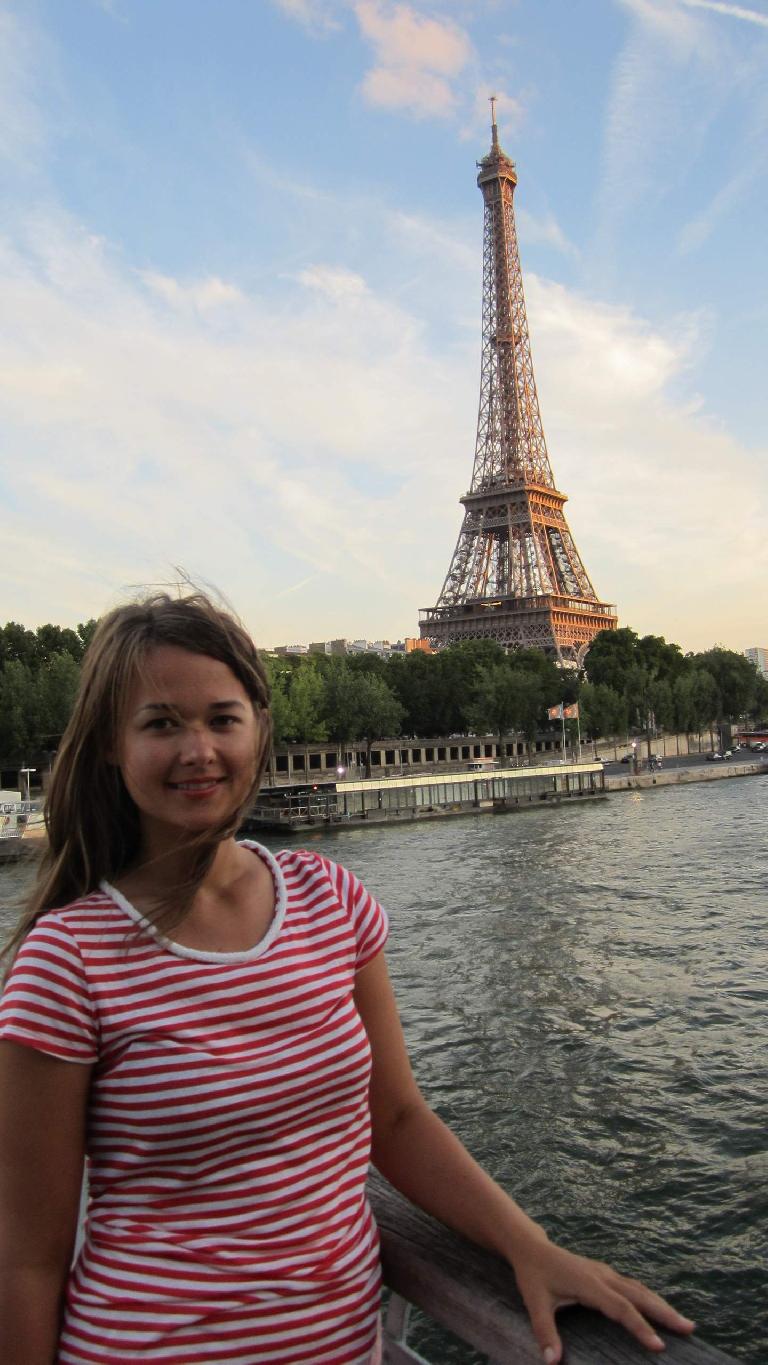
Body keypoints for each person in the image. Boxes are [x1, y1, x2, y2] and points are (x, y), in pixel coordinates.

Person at [0, 592, 695, 1365]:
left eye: (222, 718)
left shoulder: (331, 900)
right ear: (108, 744)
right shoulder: (65, 961)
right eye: (162, 723)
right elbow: (27, 1257)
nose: (198, 749)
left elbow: (396, 1120)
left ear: (259, 728)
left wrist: (531, 1247)